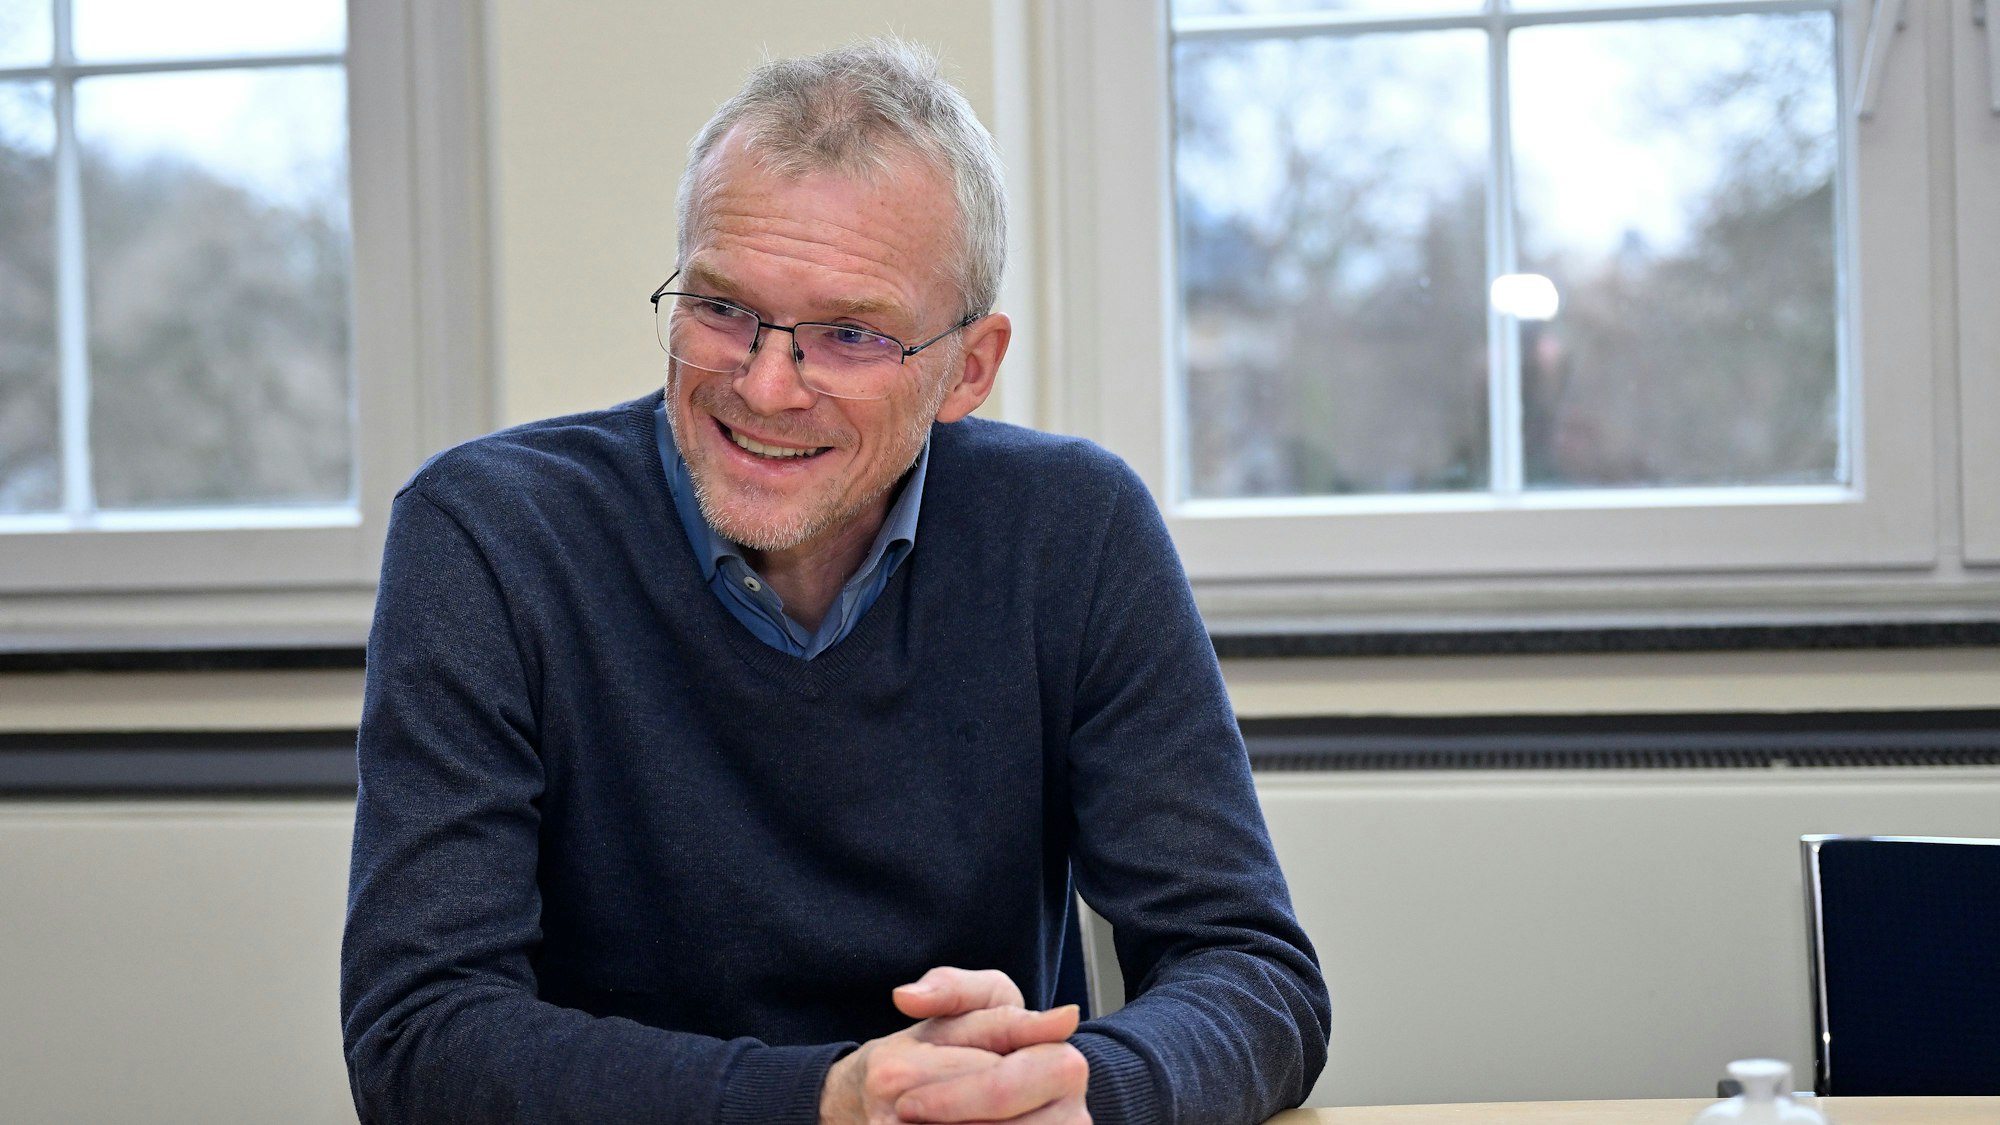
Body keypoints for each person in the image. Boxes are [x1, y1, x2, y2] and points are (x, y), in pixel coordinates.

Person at [341, 38, 1329, 1125]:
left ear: (969, 368)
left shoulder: (1072, 530)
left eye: (849, 335)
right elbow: (419, 1037)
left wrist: (1086, 1092)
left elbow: (1252, 973)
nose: (764, 387)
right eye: (720, 310)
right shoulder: (487, 532)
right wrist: (829, 1101)